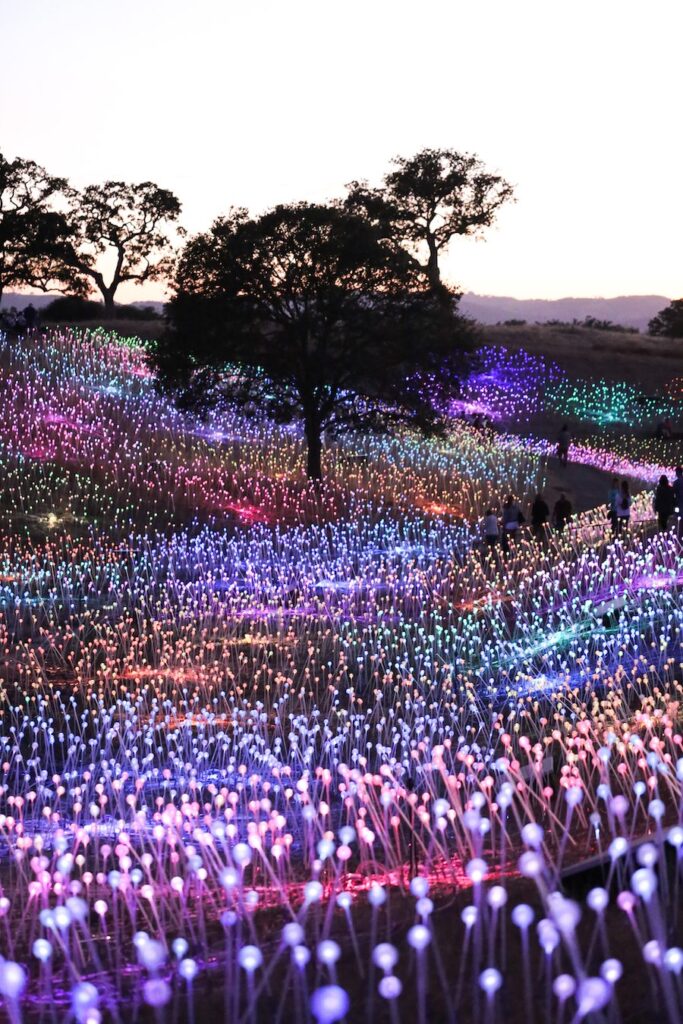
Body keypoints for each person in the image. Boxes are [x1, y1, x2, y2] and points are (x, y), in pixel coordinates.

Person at [673, 466, 683, 540]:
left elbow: (674, 494)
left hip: (679, 504)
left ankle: (680, 537)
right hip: (679, 504)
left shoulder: (676, 482)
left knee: (680, 522)